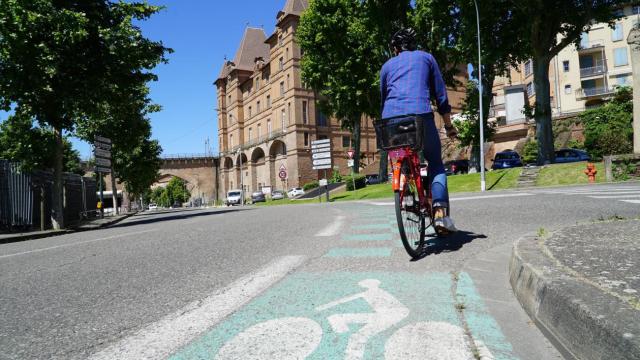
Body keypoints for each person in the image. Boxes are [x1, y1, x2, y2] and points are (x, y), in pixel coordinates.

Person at [380, 28, 458, 233]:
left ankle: (404, 183)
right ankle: (440, 212)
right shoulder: (426, 58)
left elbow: (383, 99)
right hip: (420, 117)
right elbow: (440, 96)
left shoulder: (387, 66)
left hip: (391, 122)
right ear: (413, 45)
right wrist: (449, 126)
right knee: (435, 161)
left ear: (395, 48)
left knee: (400, 156)